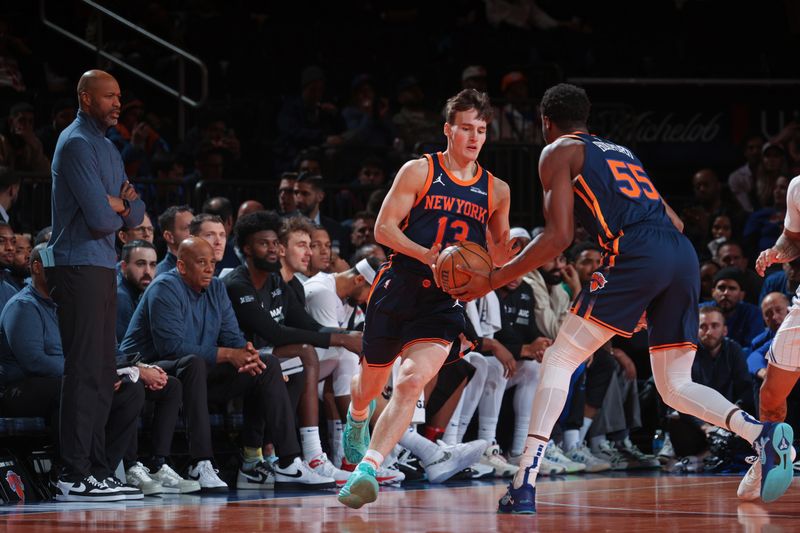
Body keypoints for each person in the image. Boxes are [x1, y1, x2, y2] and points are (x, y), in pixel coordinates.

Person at [447, 83, 793, 512]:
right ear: (587, 117)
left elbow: (557, 237)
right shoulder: (622, 152)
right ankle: (760, 434)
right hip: (680, 255)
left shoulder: (558, 151)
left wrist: (494, 278)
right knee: (673, 385)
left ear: (545, 122)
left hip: (637, 251)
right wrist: (651, 291)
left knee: (559, 359)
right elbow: (678, 223)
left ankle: (524, 483)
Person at [337, 88, 513, 509]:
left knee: (412, 381)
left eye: (482, 130)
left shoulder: (496, 189)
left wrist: (486, 274)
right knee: (369, 385)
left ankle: (368, 469)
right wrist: (429, 256)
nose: (474, 137)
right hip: (399, 285)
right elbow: (383, 229)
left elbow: (499, 253)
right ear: (448, 130)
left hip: (443, 302)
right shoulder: (420, 171)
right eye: (466, 128)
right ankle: (357, 415)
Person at [120, 237, 334, 491]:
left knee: (267, 365)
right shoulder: (164, 288)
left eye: (212, 262)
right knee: (193, 363)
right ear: (181, 266)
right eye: (202, 263)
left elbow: (233, 337)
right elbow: (171, 348)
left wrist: (248, 354)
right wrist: (229, 354)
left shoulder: (217, 288)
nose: (210, 268)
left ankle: (283, 462)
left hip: (201, 371)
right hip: (148, 369)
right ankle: (201, 463)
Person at [46, 69, 147, 502]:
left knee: (103, 371)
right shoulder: (75, 144)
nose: (117, 104)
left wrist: (119, 204)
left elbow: (137, 210)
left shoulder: (107, 147)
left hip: (102, 264)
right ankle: (72, 472)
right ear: (85, 99)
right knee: (85, 371)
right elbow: (101, 218)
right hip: (76, 264)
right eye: (109, 97)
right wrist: (118, 206)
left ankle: (98, 469)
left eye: (119, 96)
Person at [0, 244, 145, 502]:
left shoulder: (74, 306)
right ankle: (71, 474)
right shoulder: (22, 306)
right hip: (21, 388)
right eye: (60, 267)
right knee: (72, 390)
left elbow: (105, 351)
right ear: (36, 267)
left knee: (130, 390)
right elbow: (34, 361)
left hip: (69, 380)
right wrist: (87, 374)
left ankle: (101, 472)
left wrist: (111, 372)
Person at [738, 173, 800, 501]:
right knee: (771, 395)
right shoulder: (796, 187)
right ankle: (768, 458)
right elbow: (792, 239)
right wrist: (777, 252)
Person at [155, 205, 194, 277]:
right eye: (187, 228)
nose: (195, 232)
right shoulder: (163, 275)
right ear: (169, 237)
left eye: (195, 227)